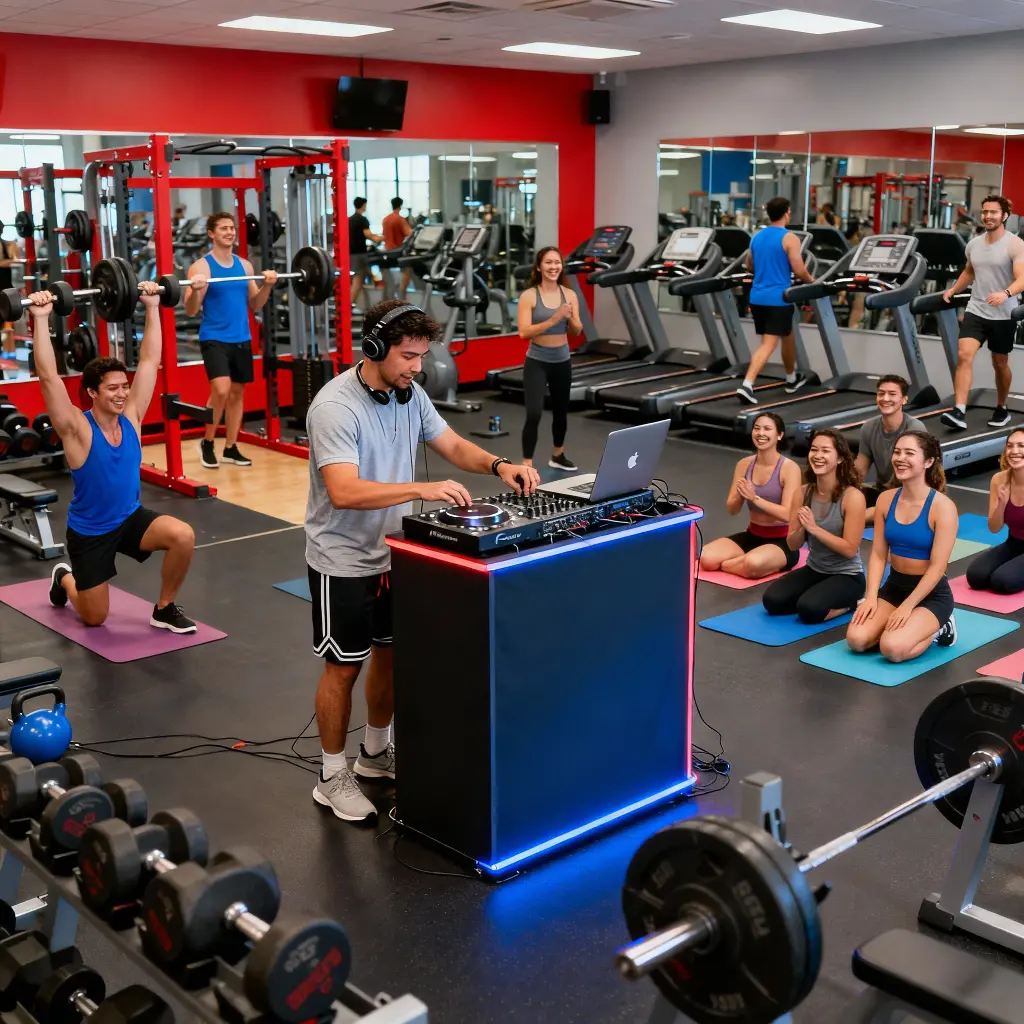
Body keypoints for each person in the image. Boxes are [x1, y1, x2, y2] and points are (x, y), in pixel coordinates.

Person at [307, 298, 540, 822]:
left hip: (398, 553)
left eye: (421, 356)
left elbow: (452, 444)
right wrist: (422, 487)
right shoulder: (335, 408)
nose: (418, 367)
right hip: (342, 557)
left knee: (390, 658)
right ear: (375, 348)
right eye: (409, 356)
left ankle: (373, 755)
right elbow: (343, 491)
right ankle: (331, 773)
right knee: (343, 668)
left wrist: (499, 464)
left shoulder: (408, 395)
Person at [31, 285, 197, 633]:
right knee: (95, 618)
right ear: (92, 392)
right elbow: (49, 378)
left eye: (124, 386)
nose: (122, 393)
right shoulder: (77, 429)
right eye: (112, 388)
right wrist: (41, 318)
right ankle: (64, 577)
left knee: (182, 535)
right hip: (90, 532)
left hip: (129, 518)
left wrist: (153, 306)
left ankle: (164, 608)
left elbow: (151, 360)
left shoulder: (132, 417)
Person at [847, 431, 958, 661]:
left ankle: (941, 626)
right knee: (857, 640)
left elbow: (938, 568)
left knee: (893, 649)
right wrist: (870, 597)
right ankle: (899, 625)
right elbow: (878, 554)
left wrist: (908, 606)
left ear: (928, 462)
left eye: (909, 453)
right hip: (894, 587)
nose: (900, 458)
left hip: (930, 594)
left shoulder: (943, 507)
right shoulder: (885, 500)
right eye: (897, 452)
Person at [185, 212, 278, 471]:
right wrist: (193, 288)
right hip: (214, 337)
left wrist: (268, 286)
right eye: (224, 228)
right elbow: (191, 309)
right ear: (211, 234)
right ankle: (207, 441)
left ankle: (230, 447)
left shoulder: (245, 266)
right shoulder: (201, 267)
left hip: (241, 338)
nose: (230, 232)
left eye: (232, 228)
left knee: (237, 394)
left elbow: (256, 303)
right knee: (222, 390)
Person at [763, 428, 866, 623]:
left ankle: (852, 603)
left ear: (840, 459)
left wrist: (815, 529)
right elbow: (793, 545)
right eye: (814, 450)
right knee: (772, 601)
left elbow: (850, 550)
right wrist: (802, 528)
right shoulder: (803, 493)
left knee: (809, 610)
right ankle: (817, 595)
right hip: (815, 569)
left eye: (825, 451)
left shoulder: (852, 497)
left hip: (847, 575)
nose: (818, 456)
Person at [941, 194, 1024, 431]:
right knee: (964, 354)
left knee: (999, 362)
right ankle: (959, 411)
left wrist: (1005, 294)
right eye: (985, 212)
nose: (988, 216)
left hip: (1004, 313)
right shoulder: (974, 244)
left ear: (1004, 215)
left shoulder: (1014, 245)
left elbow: (1023, 279)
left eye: (993, 212)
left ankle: (1002, 407)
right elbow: (969, 271)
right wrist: (954, 290)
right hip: (976, 308)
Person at [699, 412, 803, 578]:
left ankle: (742, 563)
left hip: (783, 541)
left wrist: (755, 498)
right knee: (706, 559)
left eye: (767, 429)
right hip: (752, 535)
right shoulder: (744, 464)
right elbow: (731, 510)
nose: (761, 433)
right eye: (757, 428)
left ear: (779, 435)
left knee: (752, 564)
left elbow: (787, 515)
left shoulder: (790, 468)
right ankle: (743, 562)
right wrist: (741, 495)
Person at [735, 196, 816, 404]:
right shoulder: (790, 238)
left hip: (758, 297)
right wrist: (814, 282)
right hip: (778, 298)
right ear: (787, 212)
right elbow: (799, 269)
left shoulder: (757, 237)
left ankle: (791, 379)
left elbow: (750, 265)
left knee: (787, 334)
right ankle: (747, 385)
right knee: (768, 343)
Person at [517, 246, 583, 472]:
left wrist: (571, 318)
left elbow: (576, 331)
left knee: (561, 411)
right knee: (534, 413)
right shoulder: (529, 296)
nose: (553, 267)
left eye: (557, 262)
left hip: (562, 360)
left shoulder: (570, 294)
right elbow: (524, 332)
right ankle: (526, 464)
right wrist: (555, 318)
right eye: (548, 262)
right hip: (537, 361)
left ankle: (558, 454)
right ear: (538, 267)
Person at [854, 375, 926, 524]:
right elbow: (859, 470)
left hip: (909, 494)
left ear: (904, 399)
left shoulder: (915, 429)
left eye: (892, 394)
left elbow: (914, 477)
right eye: (881, 393)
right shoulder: (868, 427)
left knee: (853, 519)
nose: (885, 398)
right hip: (882, 492)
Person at [966, 429, 1024, 593]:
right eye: (1010, 446)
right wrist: (1002, 504)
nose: (1015, 451)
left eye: (1021, 446)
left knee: (1002, 581)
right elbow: (994, 528)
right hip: (1014, 543)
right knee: (975, 576)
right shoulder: (999, 480)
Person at [349, 196, 384, 312]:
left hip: (351, 254)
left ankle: (369, 305)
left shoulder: (349, 219)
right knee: (358, 281)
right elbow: (368, 235)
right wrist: (380, 238)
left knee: (367, 276)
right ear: (363, 205)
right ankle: (347, 305)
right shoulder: (362, 220)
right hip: (359, 254)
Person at [381, 197, 414, 300]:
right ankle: (401, 297)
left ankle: (389, 298)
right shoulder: (400, 219)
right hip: (397, 252)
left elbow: (384, 235)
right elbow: (409, 234)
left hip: (387, 251)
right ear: (400, 205)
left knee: (388, 280)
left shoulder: (385, 219)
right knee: (408, 270)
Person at [0, 237, 21, 359]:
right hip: (6, 290)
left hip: (7, 290)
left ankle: (9, 356)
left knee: (8, 326)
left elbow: (16, 261)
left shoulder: (9, 245)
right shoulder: (8, 245)